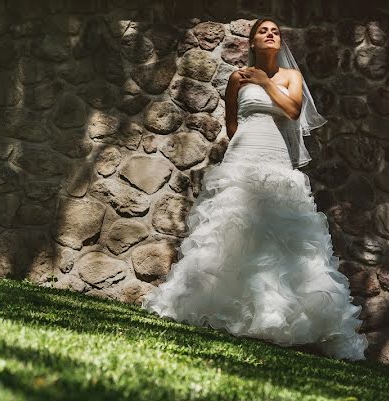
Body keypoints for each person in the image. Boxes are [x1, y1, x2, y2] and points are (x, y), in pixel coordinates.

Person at [141, 18, 368, 361]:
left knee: (282, 234)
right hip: (244, 152)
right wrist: (247, 134)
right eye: (263, 31)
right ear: (252, 42)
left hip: (276, 155)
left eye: (275, 31)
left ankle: (284, 318)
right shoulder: (237, 77)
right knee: (230, 227)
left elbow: (293, 111)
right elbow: (232, 122)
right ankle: (217, 308)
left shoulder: (291, 77)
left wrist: (264, 81)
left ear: (280, 42)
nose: (270, 34)